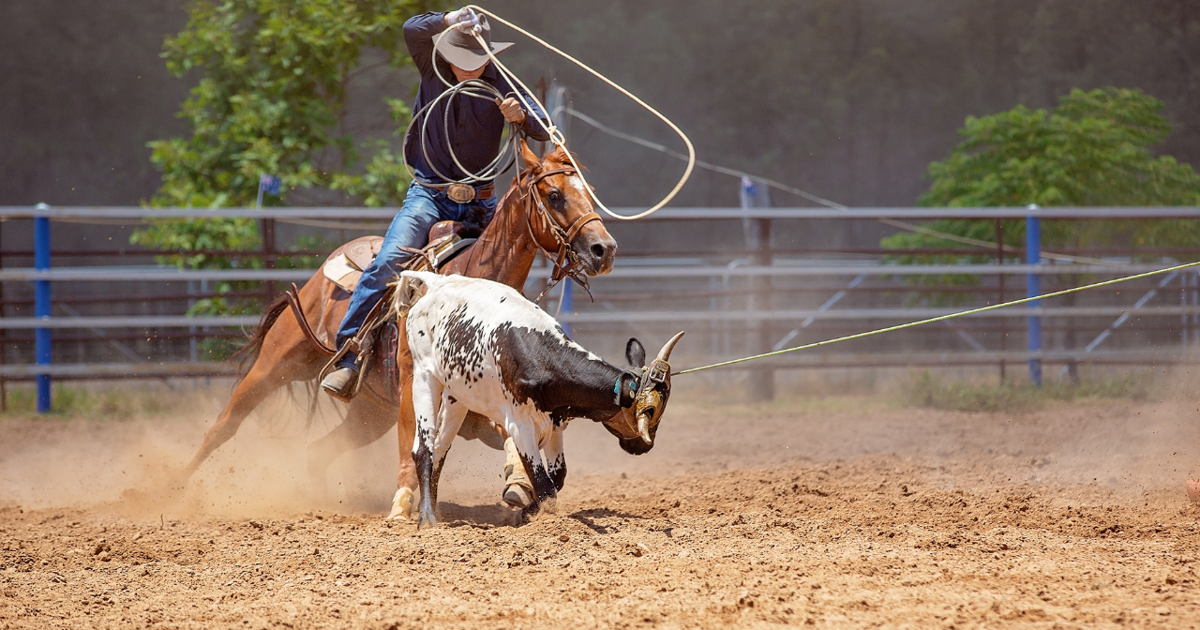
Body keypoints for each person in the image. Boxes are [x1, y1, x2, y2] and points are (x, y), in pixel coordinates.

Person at [321, 8, 549, 398]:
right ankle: (351, 355)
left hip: (481, 202)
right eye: (461, 61)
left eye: (475, 61)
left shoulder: (503, 84)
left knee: (510, 276)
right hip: (430, 196)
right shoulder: (433, 69)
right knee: (390, 260)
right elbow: (412, 29)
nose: (467, 69)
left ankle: (518, 369)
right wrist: (448, 18)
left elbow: (545, 126)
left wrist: (522, 115)